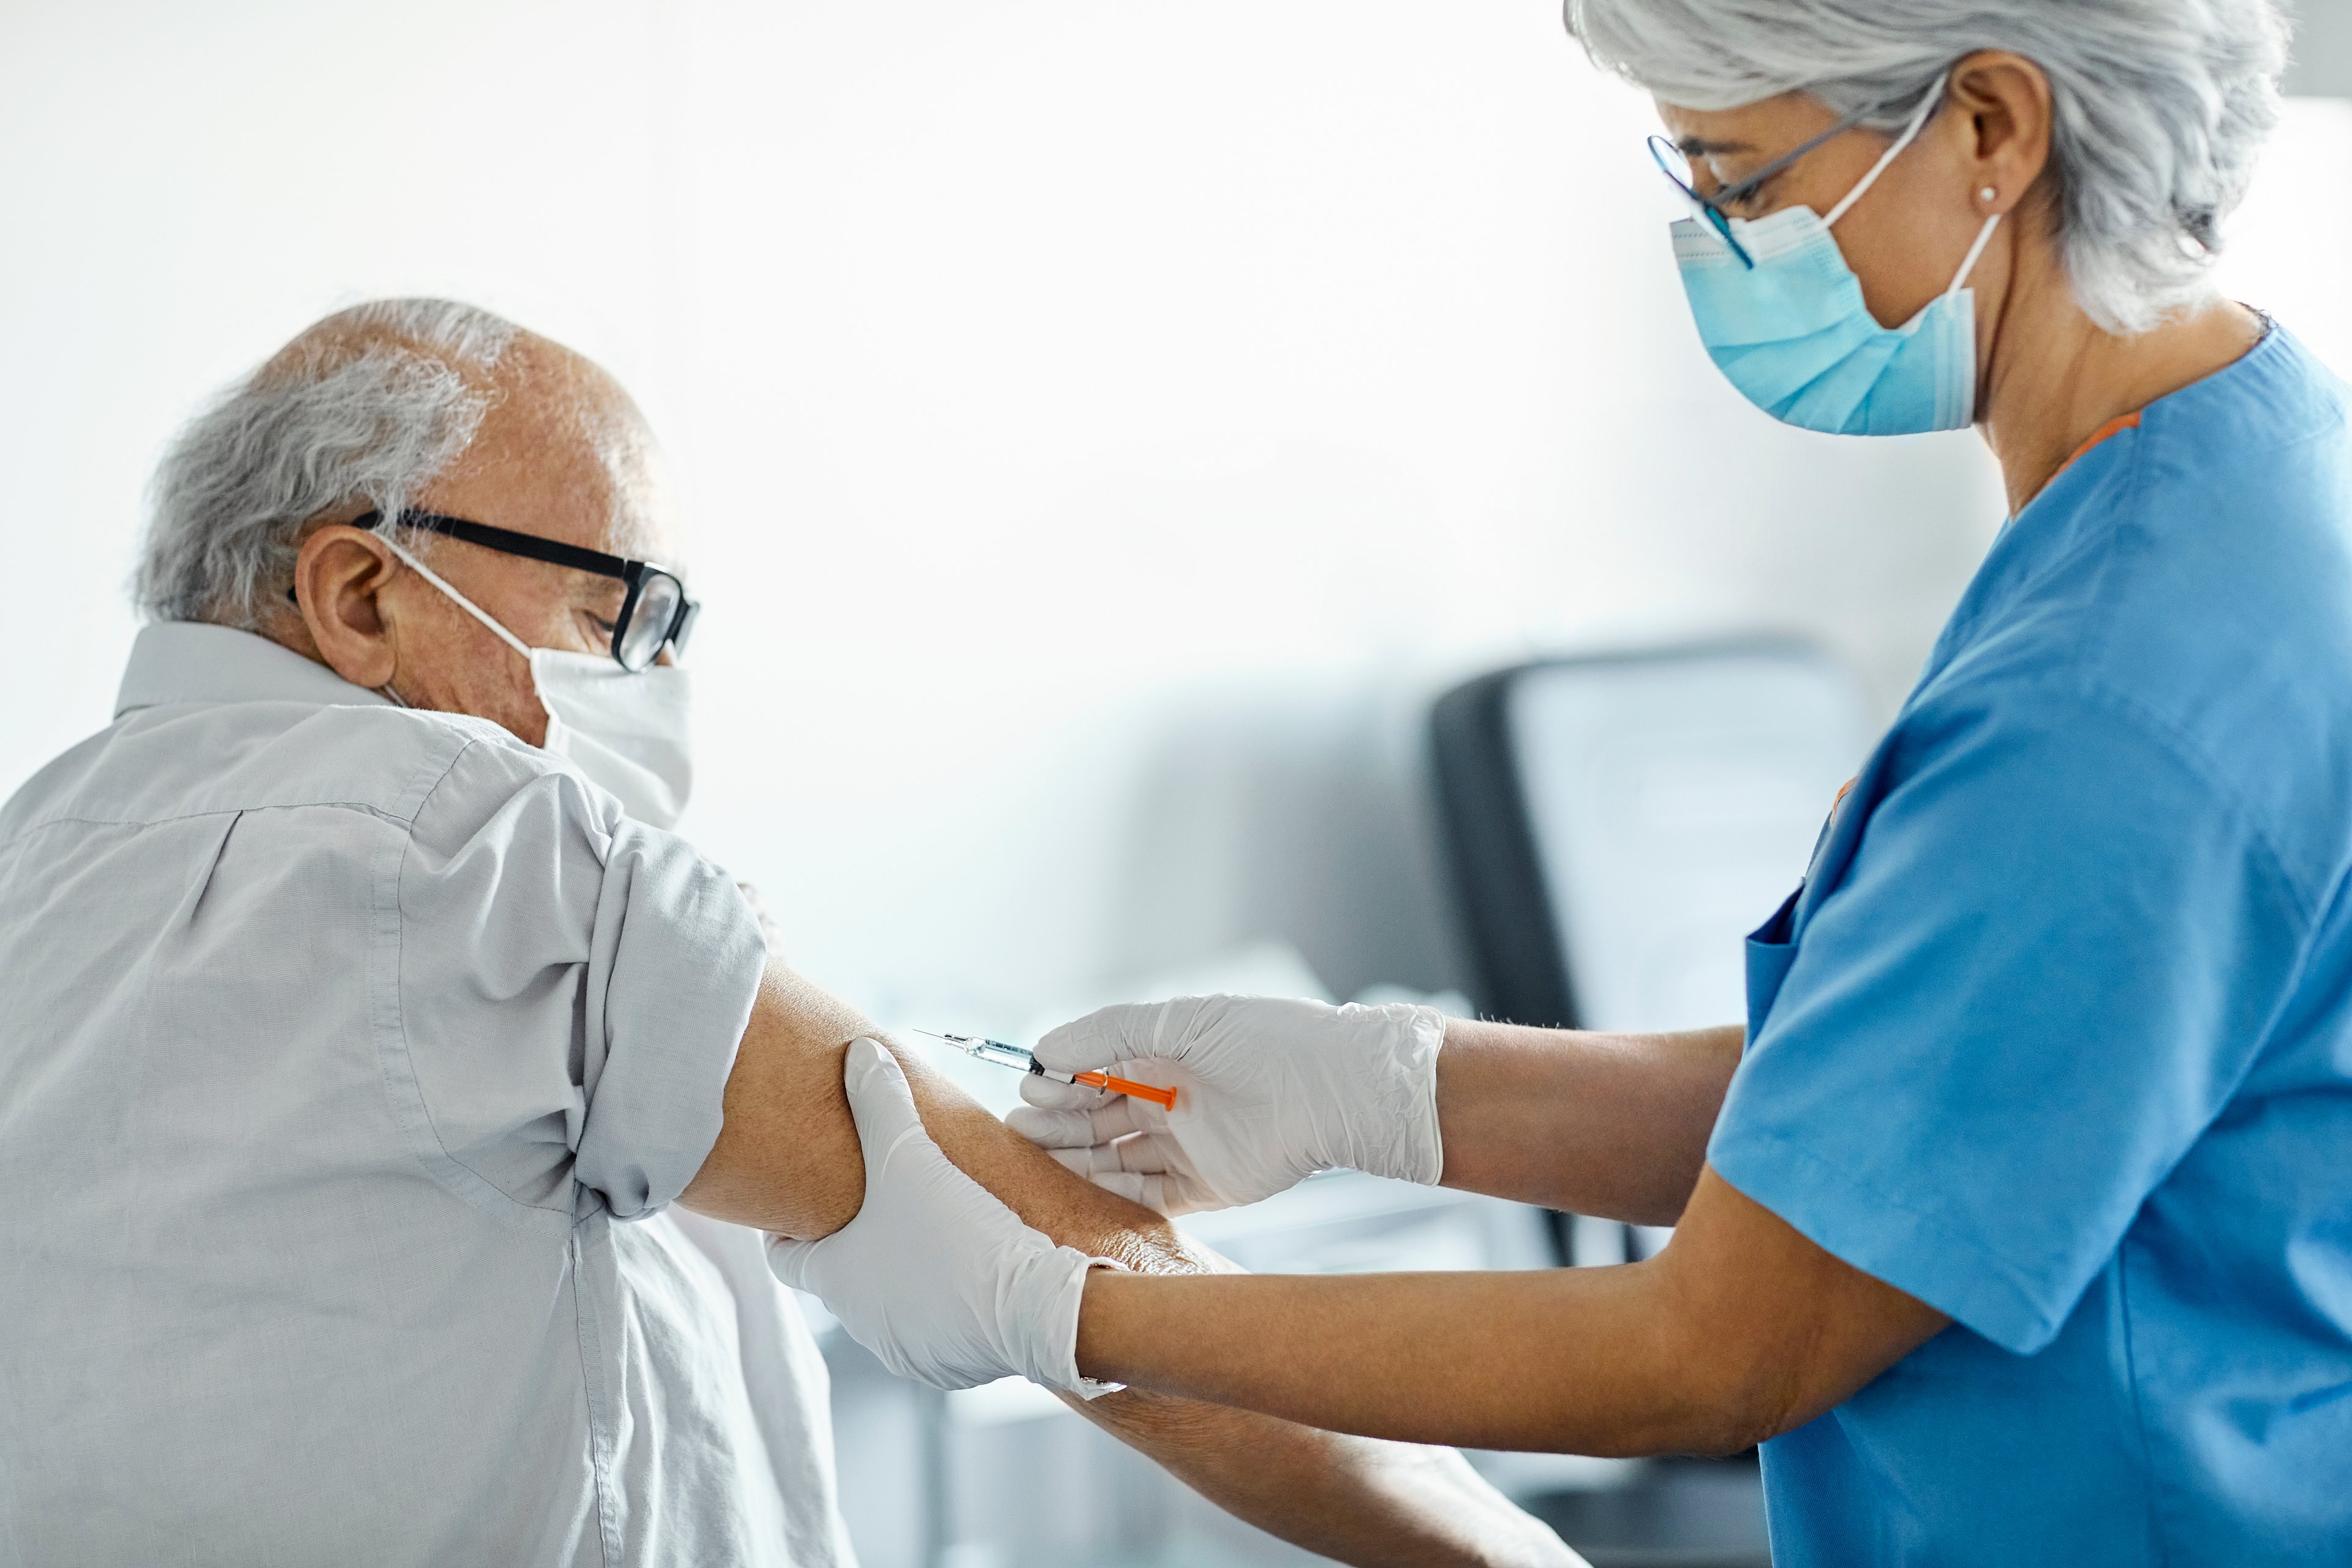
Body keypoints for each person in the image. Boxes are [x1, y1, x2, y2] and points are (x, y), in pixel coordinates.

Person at [787, 2, 2352, 1564]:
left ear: (1991, 128)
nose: (1721, 251)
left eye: (1742, 183)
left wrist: (1071, 1313)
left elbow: (1721, 1344)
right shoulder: (2234, 471)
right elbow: (1905, 1117)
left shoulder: (2111, 689)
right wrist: (1382, 1087)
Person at [0, 298, 1574, 1567]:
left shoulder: (33, 853)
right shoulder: (478, 841)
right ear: (360, 594)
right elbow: (1089, 1264)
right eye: (625, 610)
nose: (654, 672)